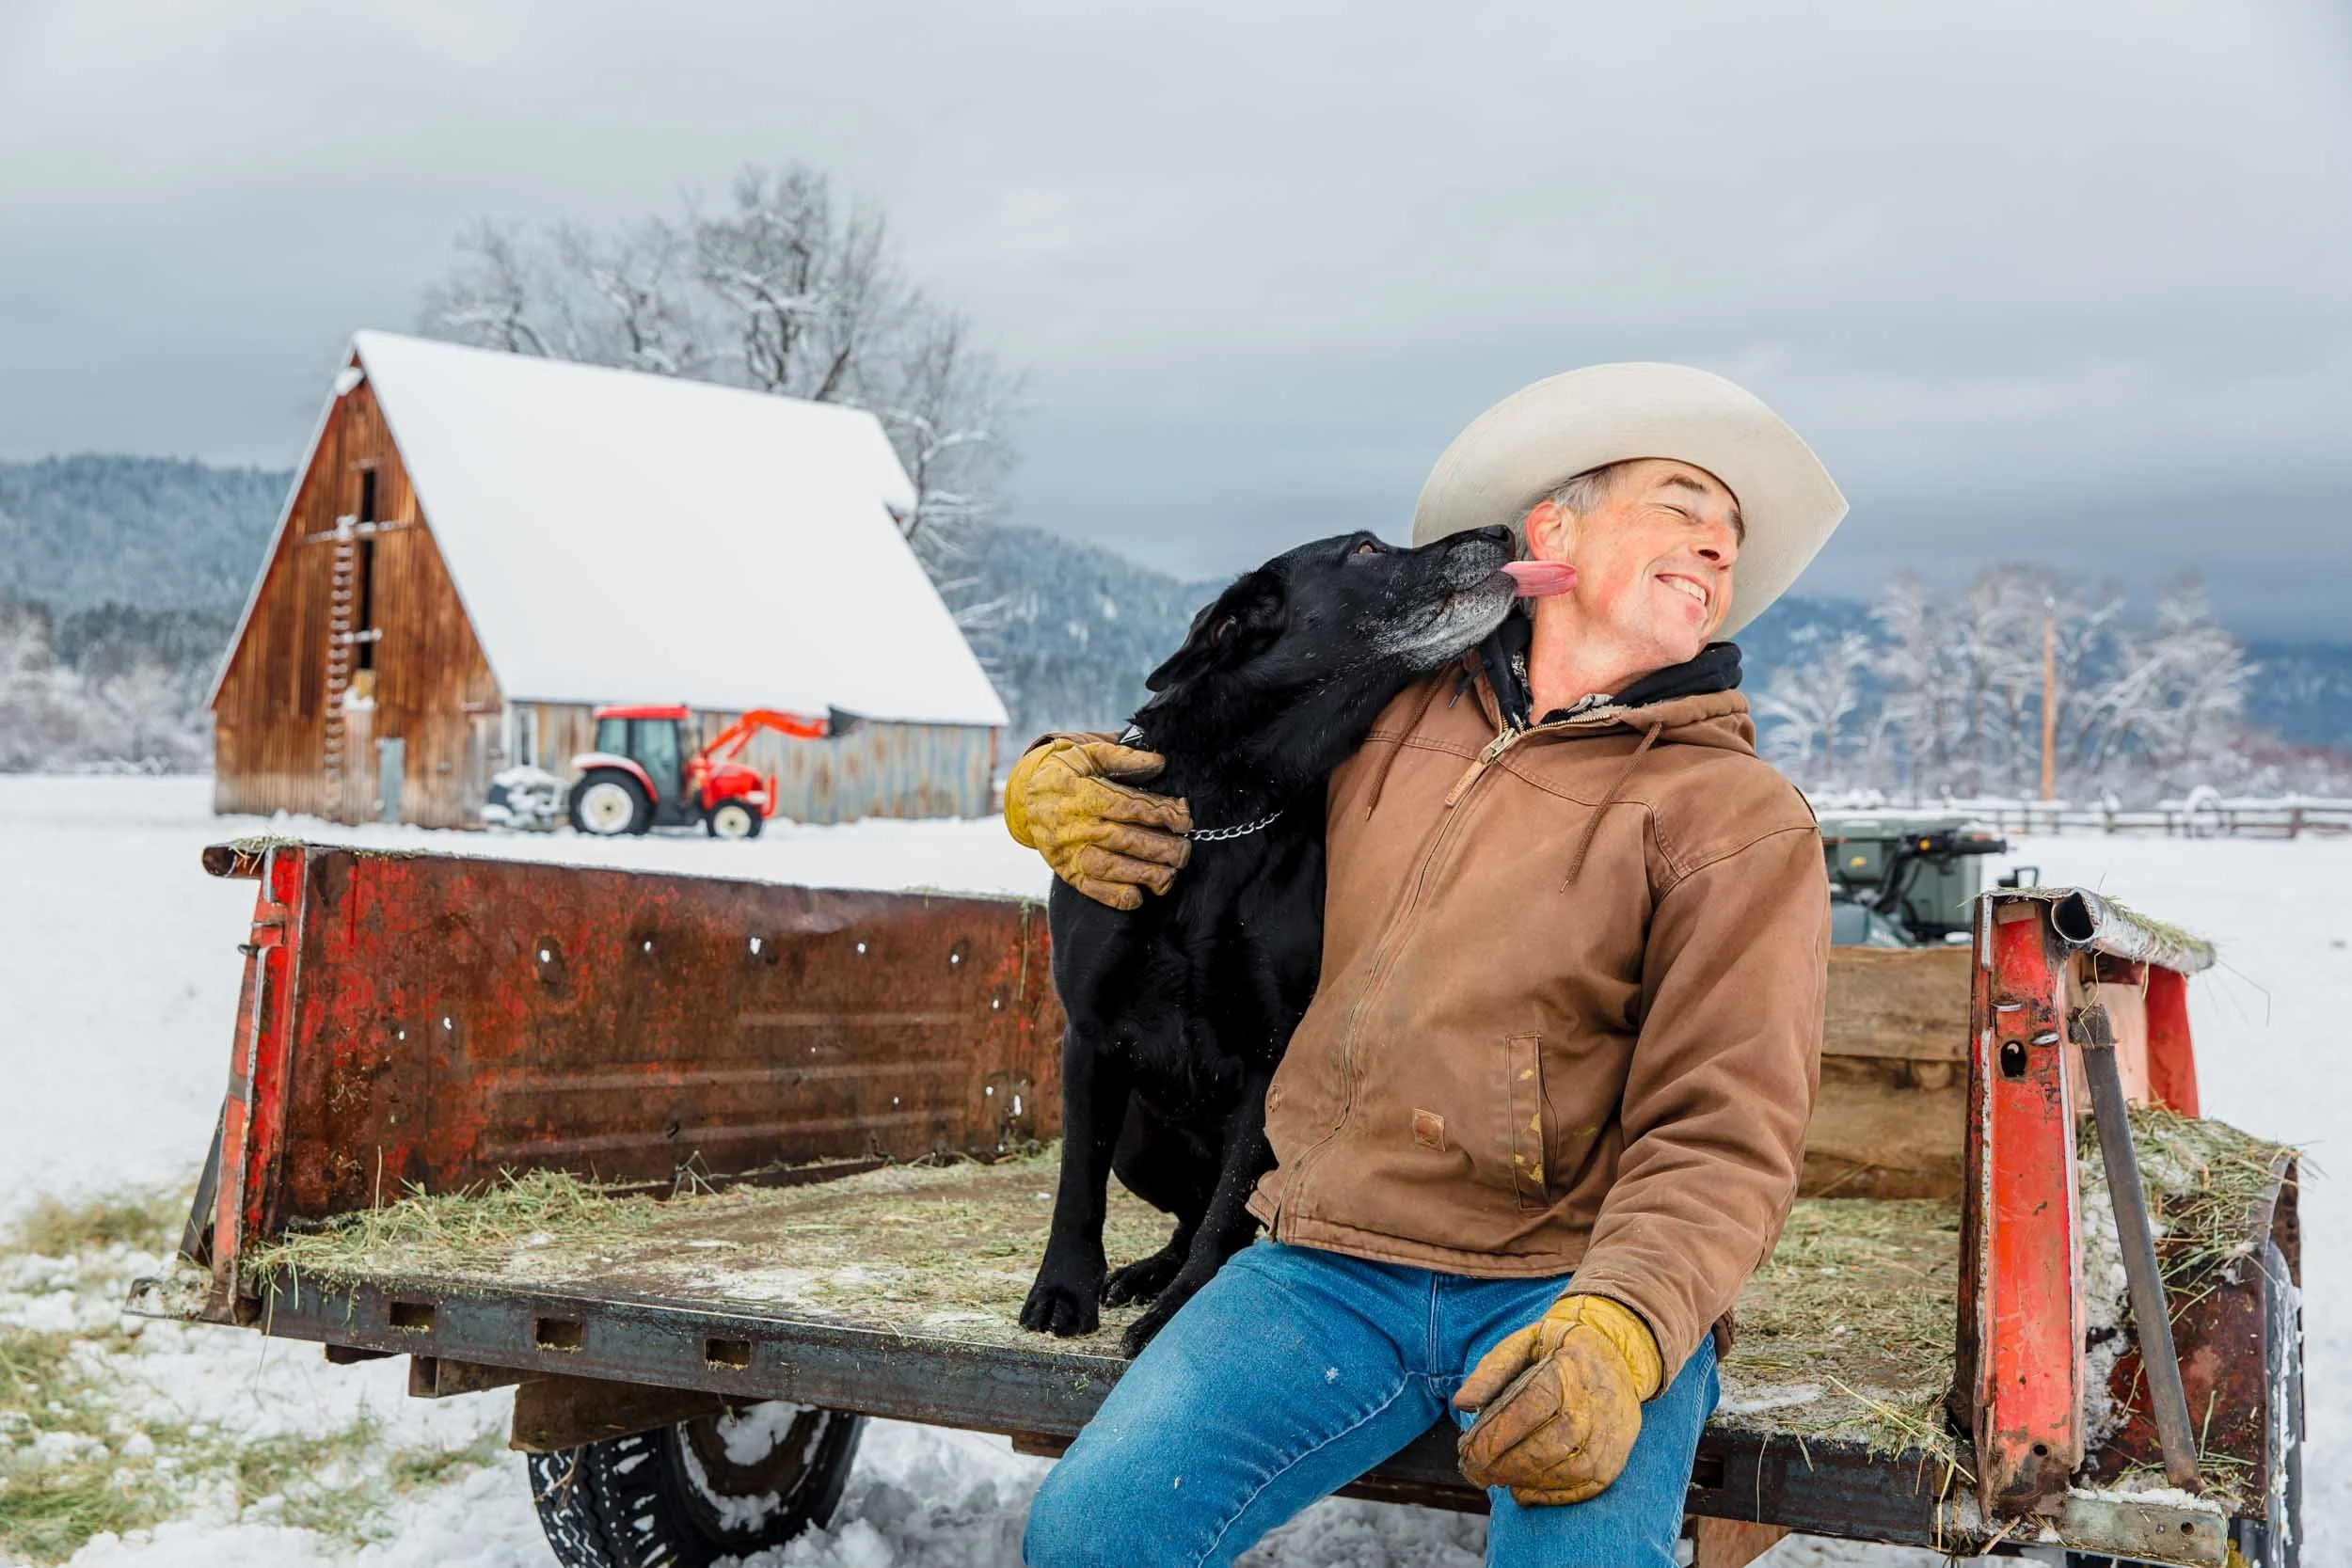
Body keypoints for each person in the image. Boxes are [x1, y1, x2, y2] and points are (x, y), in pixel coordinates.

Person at [1010, 363, 1845, 1567]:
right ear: (1551, 534)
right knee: (1091, 1537)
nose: (1717, 545)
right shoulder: (1387, 719)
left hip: (1564, 1291)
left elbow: (1726, 1132)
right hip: (1321, 1265)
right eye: (1679, 505)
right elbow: (1218, 717)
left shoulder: (1735, 816)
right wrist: (1054, 778)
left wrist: (1622, 1327)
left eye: (1730, 538)